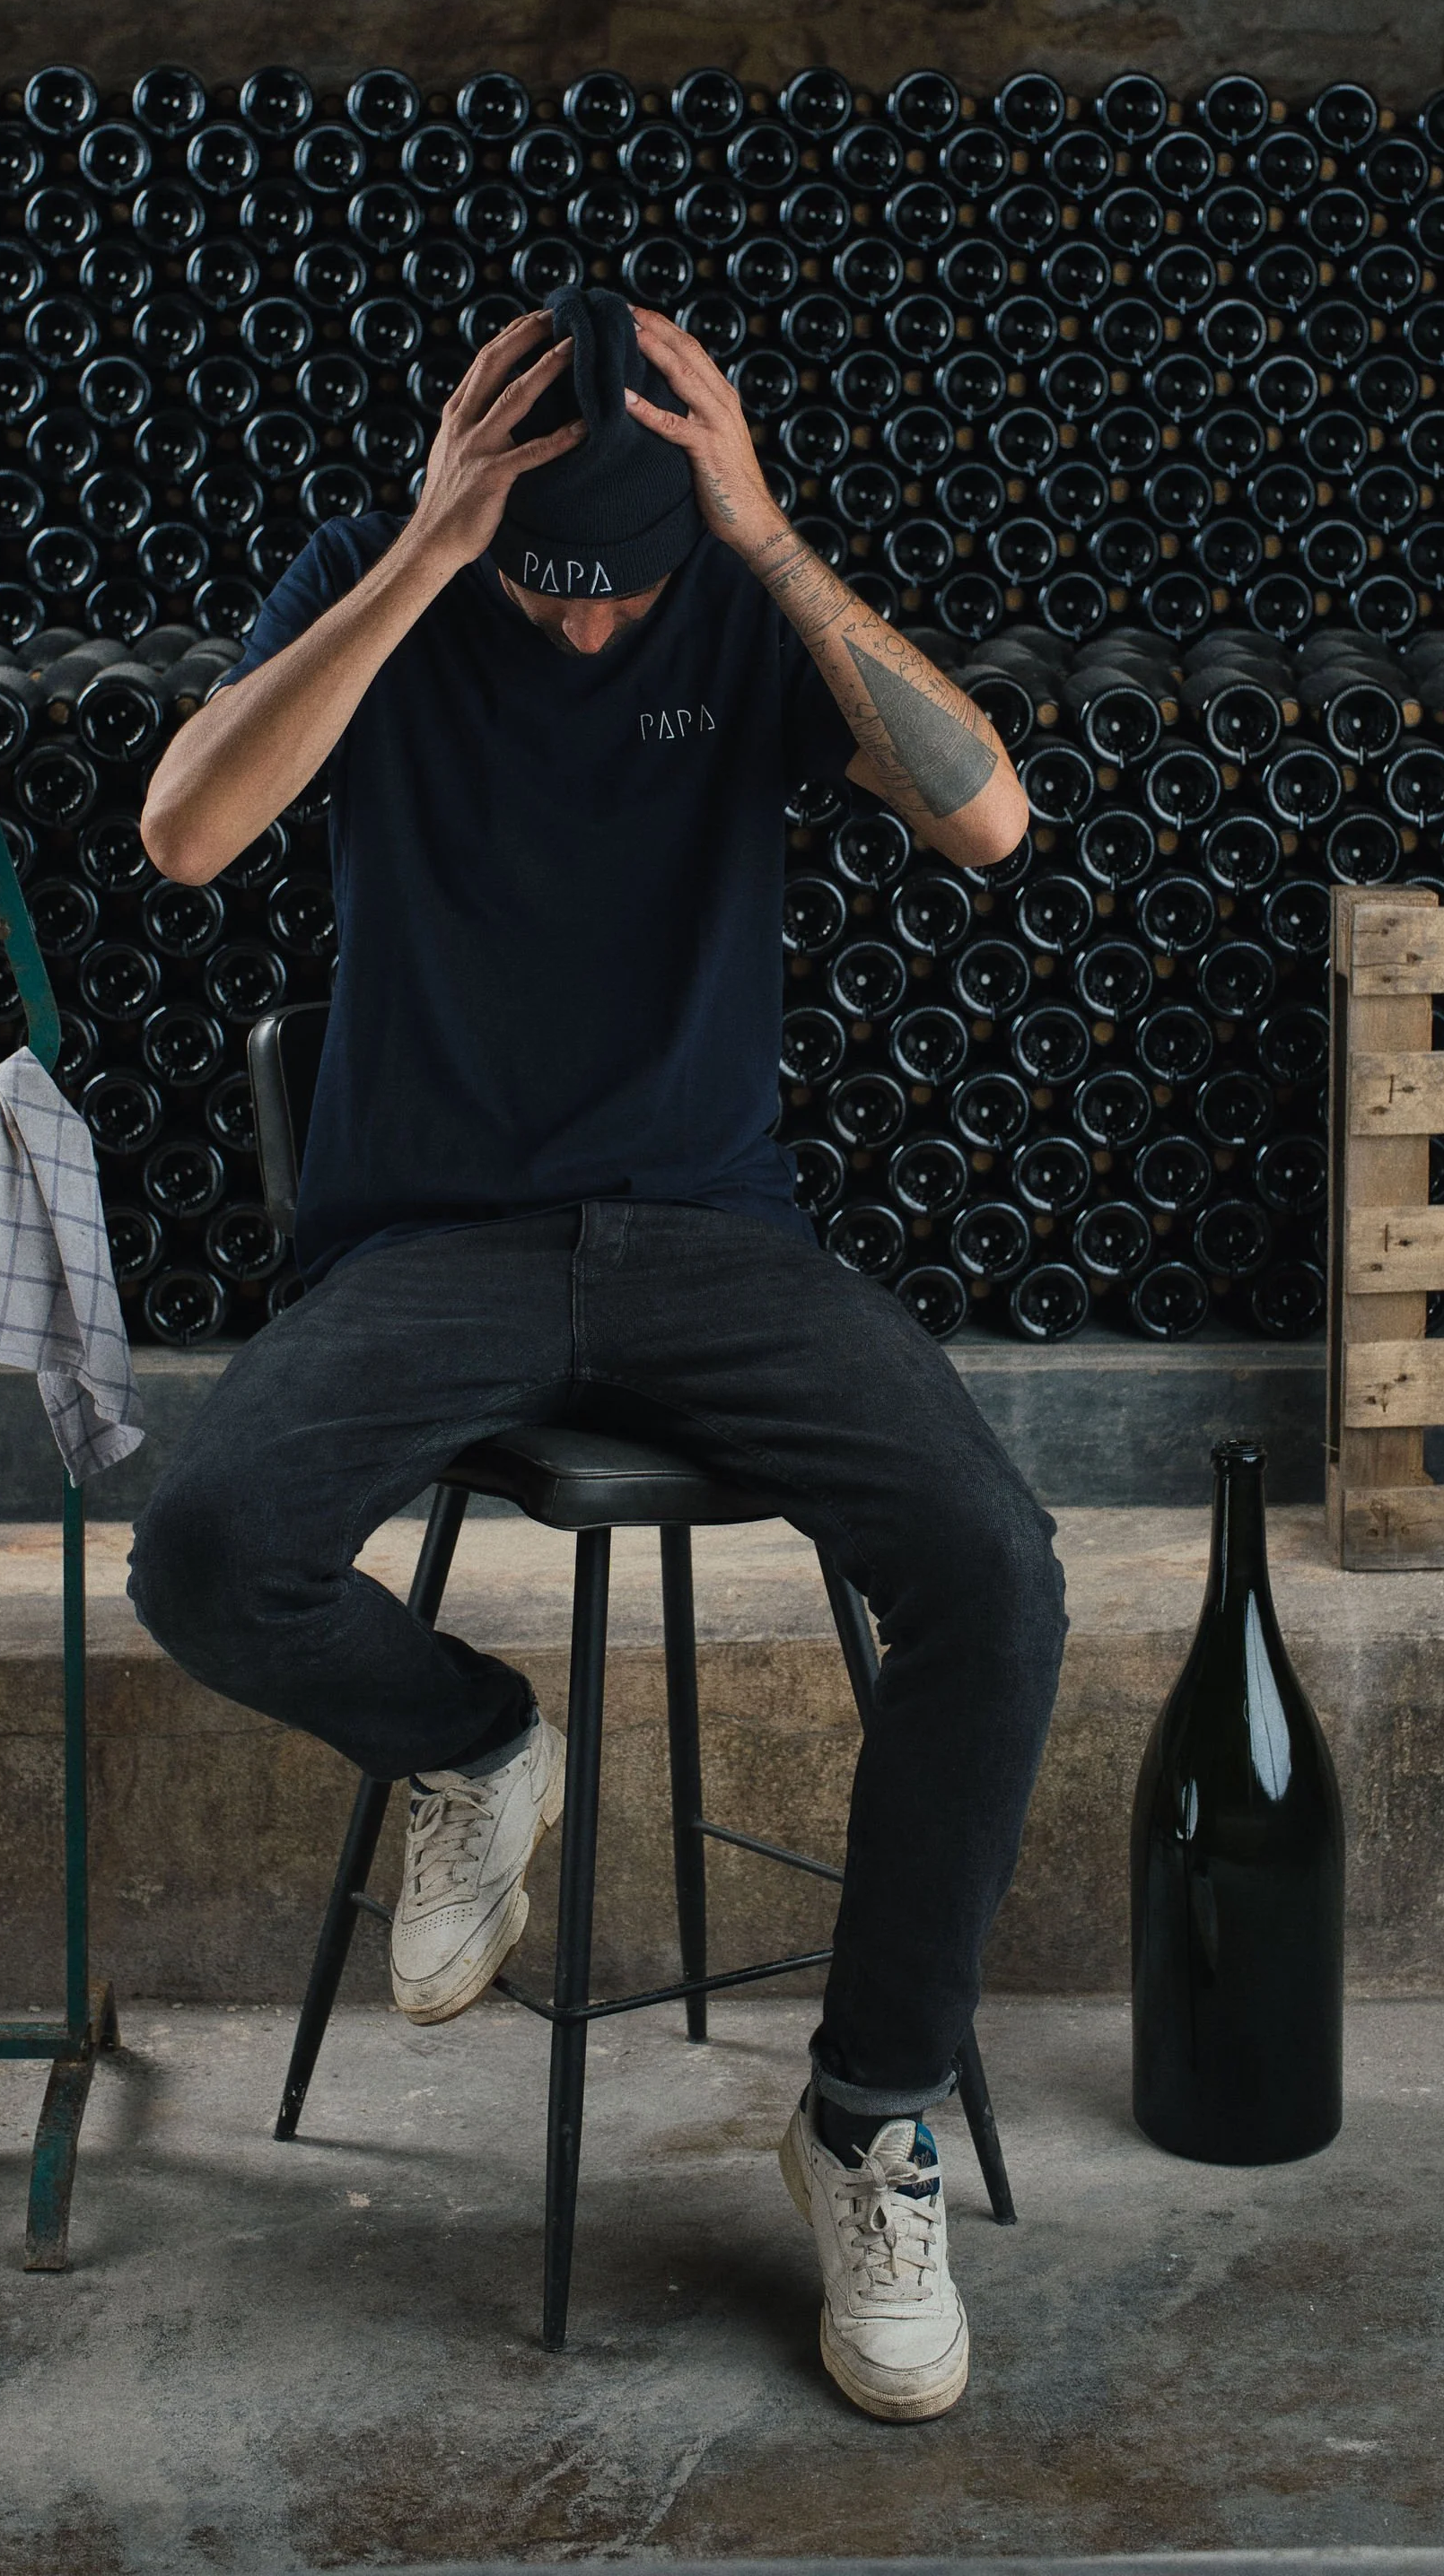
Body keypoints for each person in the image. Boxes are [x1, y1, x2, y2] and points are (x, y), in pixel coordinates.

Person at [131, 287, 1067, 2421]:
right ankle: (471, 1742)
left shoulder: (743, 606)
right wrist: (430, 552)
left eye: (615, 588)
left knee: (997, 1579)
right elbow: (186, 833)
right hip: (430, 1242)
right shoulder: (396, 582)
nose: (577, 634)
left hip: (710, 1238)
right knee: (203, 1551)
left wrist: (757, 542)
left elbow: (991, 818)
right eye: (547, 586)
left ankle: (864, 2115)